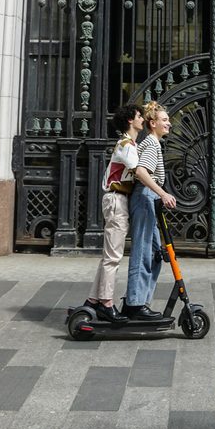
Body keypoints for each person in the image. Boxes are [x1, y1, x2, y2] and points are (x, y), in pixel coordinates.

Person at [84, 103, 144, 322]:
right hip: (117, 200)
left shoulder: (128, 144)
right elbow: (138, 170)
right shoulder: (127, 145)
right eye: (139, 116)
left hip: (117, 200)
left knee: (109, 256)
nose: (142, 120)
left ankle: (92, 300)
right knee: (113, 257)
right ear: (130, 120)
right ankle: (106, 304)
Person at [122, 100, 177, 321]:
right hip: (145, 198)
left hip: (147, 199)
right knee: (143, 252)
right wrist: (163, 193)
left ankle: (139, 301)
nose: (169, 124)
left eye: (168, 120)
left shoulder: (151, 143)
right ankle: (135, 304)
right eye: (164, 120)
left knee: (155, 254)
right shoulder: (152, 144)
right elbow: (142, 172)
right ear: (152, 123)